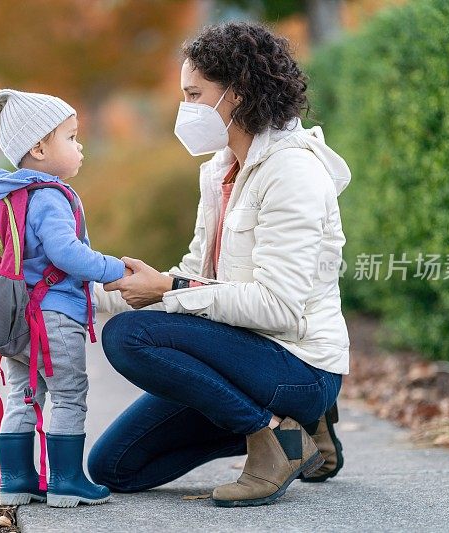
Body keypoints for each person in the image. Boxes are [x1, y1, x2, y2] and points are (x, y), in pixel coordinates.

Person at [88, 21, 352, 507]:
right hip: (241, 356)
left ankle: (275, 434)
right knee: (115, 468)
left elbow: (278, 308)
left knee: (130, 336)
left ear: (239, 91)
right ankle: (300, 432)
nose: (185, 108)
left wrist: (167, 288)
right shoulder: (218, 169)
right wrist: (86, 289)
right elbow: (197, 271)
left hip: (297, 361)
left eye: (194, 94)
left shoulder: (293, 172)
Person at [0, 88, 129, 508]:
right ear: (39, 147)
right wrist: (113, 269)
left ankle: (17, 481)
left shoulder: (6, 192)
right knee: (70, 393)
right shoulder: (50, 195)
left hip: (18, 316)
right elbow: (65, 253)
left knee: (21, 393)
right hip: (55, 316)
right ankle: (67, 481)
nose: (79, 146)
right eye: (71, 138)